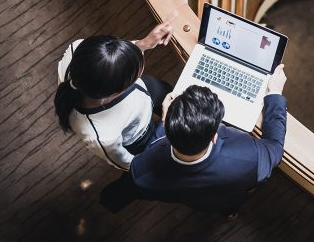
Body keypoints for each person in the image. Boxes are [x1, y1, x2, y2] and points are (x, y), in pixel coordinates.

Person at [103, 64, 288, 217]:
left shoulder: (142, 172)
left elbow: (146, 169)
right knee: (226, 205)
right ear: (215, 136)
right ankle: (230, 214)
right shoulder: (249, 158)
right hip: (224, 197)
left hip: (193, 200)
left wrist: (166, 119)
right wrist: (275, 94)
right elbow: (275, 148)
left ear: (165, 126)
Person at [54, 21, 174, 170]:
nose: (141, 72)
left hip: (145, 92)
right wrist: (164, 125)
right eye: (135, 76)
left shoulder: (76, 48)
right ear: (114, 94)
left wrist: (144, 44)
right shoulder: (102, 136)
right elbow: (132, 165)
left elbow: (109, 60)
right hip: (140, 135)